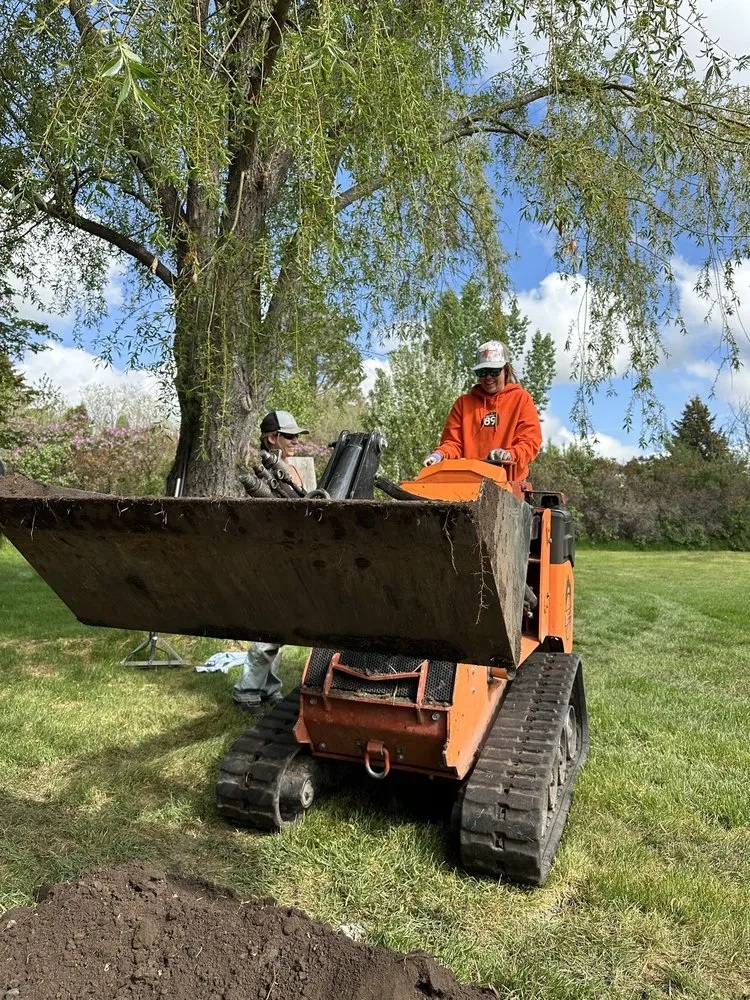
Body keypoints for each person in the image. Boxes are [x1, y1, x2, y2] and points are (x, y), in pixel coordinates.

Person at [232, 409, 309, 712]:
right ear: (272, 438)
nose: (295, 441)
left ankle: (267, 688)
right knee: (268, 630)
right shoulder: (262, 479)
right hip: (272, 558)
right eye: (290, 436)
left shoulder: (291, 469)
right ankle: (246, 692)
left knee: (280, 630)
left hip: (292, 556)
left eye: (297, 436)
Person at [423, 340, 542, 481]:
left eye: (494, 371)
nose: (488, 377)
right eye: (483, 372)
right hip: (468, 483)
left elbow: (530, 441)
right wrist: (439, 455)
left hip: (509, 483)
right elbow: (453, 443)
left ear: (506, 370)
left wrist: (510, 455)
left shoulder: (521, 399)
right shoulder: (463, 403)